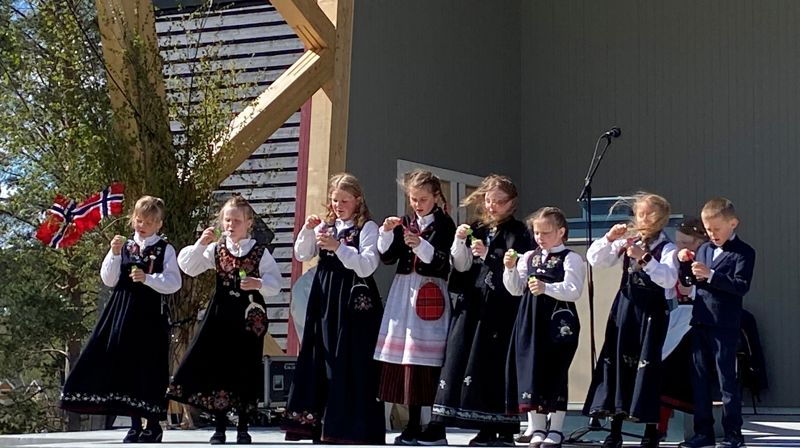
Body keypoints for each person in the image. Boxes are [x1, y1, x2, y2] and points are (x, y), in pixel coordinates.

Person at [416, 175, 533, 446]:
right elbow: (461, 266)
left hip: (500, 308)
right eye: (489, 201)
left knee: (490, 363)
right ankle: (441, 421)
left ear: (512, 203)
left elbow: (518, 271)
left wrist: (489, 254)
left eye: (499, 202)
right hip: (473, 301)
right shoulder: (478, 227)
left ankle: (495, 426)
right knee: (457, 356)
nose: (492, 206)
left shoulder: (520, 232)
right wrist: (460, 244)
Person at [60, 196, 181, 443]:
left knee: (149, 367)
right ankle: (134, 423)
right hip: (123, 313)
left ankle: (153, 424)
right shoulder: (125, 247)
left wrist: (148, 279)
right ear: (132, 220)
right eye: (138, 220)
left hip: (150, 318)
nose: (142, 225)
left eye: (148, 221)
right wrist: (114, 254)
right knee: (125, 366)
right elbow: (109, 278)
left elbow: (174, 282)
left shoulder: (164, 249)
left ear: (158, 224)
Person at [167, 195, 282, 445]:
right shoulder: (217, 249)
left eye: (236, 221)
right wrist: (200, 243)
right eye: (227, 220)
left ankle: (242, 426)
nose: (230, 225)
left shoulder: (259, 252)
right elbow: (188, 266)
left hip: (248, 318)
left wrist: (259, 283)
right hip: (220, 315)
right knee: (218, 368)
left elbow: (276, 283)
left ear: (249, 223)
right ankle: (219, 427)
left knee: (245, 369)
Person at [283, 173, 385, 444]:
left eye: (344, 200)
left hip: (353, 301)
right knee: (322, 355)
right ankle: (319, 425)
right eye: (334, 200)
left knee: (352, 359)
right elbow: (302, 254)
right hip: (325, 296)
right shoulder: (326, 227)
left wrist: (338, 248)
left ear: (357, 201)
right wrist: (307, 230)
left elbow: (366, 265)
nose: (338, 205)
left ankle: (352, 428)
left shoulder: (367, 228)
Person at [582, 192, 678, 448]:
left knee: (647, 365)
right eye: (640, 213)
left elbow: (668, 279)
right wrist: (610, 238)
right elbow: (596, 259)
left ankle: (650, 429)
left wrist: (644, 258)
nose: (643, 218)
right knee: (617, 364)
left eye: (649, 213)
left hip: (651, 311)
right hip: (626, 307)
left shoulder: (667, 247)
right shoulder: (629, 240)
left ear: (661, 217)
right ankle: (615, 428)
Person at [373, 169, 456, 445]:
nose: (417, 204)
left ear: (436, 197)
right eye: (413, 199)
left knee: (428, 360)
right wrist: (386, 233)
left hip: (430, 292)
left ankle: (435, 425)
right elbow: (387, 257)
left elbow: (443, 261)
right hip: (404, 294)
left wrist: (421, 245)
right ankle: (412, 423)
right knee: (407, 358)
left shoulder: (445, 225)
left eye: (422, 198)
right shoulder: (406, 222)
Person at [503, 207, 586, 448]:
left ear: (561, 232)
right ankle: (537, 427)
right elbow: (515, 289)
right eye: (537, 233)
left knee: (555, 371)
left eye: (546, 232)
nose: (540, 238)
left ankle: (557, 429)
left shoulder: (570, 258)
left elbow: (574, 290)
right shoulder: (529, 257)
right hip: (530, 319)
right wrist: (509, 268)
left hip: (558, 321)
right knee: (530, 369)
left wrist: (547, 288)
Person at [679, 198, 755, 448]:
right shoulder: (704, 250)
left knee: (726, 380)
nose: (713, 234)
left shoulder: (744, 252)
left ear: (733, 223)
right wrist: (685, 266)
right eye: (708, 230)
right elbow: (691, 281)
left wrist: (712, 275)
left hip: (725, 324)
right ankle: (704, 432)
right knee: (699, 380)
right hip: (701, 320)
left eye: (717, 229)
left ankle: (734, 434)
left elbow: (740, 286)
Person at [658, 218, 708, 439]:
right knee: (661, 371)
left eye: (686, 242)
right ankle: (659, 428)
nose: (681, 247)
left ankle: (701, 429)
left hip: (696, 320)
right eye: (678, 242)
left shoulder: (704, 260)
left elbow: (690, 289)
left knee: (688, 377)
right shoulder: (673, 258)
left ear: (699, 242)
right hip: (676, 318)